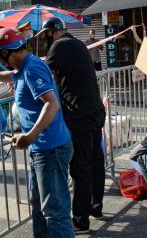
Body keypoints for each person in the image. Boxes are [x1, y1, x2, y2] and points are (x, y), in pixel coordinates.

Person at [0, 28, 74, 238]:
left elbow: (52, 104)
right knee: (38, 206)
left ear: (5, 53)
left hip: (50, 148)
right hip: (41, 149)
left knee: (54, 212)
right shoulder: (24, 66)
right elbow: (11, 75)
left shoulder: (31, 68)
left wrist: (30, 136)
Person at [36, 17, 106, 234]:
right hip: (94, 110)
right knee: (95, 160)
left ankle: (80, 220)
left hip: (80, 115)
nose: (45, 41)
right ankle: (96, 207)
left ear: (51, 33)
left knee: (81, 167)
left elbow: (43, 72)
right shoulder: (77, 43)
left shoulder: (60, 45)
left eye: (45, 36)